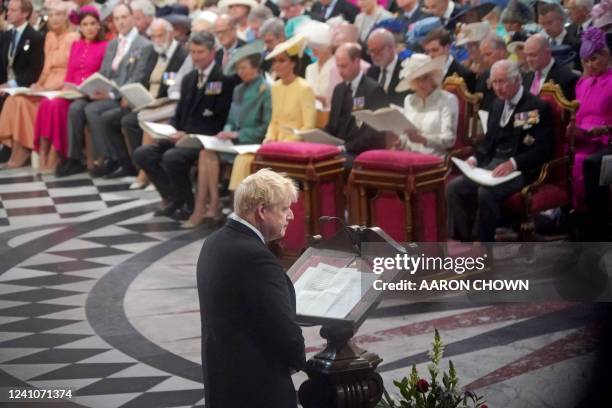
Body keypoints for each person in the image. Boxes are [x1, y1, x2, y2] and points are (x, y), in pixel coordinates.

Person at [197, 168, 306, 408]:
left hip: (223, 379)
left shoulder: (214, 242)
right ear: (262, 210)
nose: (291, 216)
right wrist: (298, 359)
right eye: (285, 209)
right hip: (257, 387)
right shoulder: (255, 257)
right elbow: (282, 328)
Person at [446, 59, 553, 242]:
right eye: (494, 82)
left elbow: (542, 149)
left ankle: (483, 245)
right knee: (453, 188)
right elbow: (489, 141)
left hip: (520, 168)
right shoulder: (497, 104)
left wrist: (513, 163)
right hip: (492, 165)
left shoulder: (534, 107)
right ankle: (461, 239)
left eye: (502, 81)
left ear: (518, 80)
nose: (497, 87)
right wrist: (475, 159)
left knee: (485, 193)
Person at [133, 31, 235, 221]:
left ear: (212, 52)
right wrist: (172, 130)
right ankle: (173, 198)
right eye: (193, 52)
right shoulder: (188, 79)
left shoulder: (223, 80)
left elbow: (219, 119)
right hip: (181, 136)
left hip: (204, 140)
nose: (196, 57)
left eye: (200, 52)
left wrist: (187, 134)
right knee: (143, 153)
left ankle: (188, 203)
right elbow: (179, 114)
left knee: (172, 157)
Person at [186, 42, 272, 228]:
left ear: (255, 68)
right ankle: (210, 203)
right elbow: (231, 118)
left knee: (206, 154)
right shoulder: (238, 89)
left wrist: (238, 133)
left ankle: (211, 206)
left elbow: (265, 126)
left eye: (244, 67)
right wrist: (226, 130)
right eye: (238, 68)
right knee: (205, 152)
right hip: (233, 140)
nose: (240, 72)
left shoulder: (265, 90)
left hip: (251, 142)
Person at [65, 2, 154, 178]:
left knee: (93, 110)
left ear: (132, 18)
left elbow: (137, 77)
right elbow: (105, 72)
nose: (121, 22)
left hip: (125, 96)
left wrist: (112, 93)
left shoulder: (143, 45)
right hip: (107, 92)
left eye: (124, 17)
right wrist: (95, 87)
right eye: (117, 18)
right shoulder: (113, 44)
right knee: (78, 107)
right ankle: (88, 159)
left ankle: (114, 159)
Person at [0, 0, 78, 169]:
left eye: (59, 15)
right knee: (15, 99)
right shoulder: (49, 37)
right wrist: (37, 85)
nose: (54, 18)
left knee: (26, 103)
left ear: (66, 17)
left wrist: (47, 88)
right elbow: (45, 68)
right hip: (46, 86)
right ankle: (19, 147)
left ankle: (25, 150)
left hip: (61, 88)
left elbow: (69, 71)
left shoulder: (73, 38)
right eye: (51, 14)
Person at [35, 5, 107, 175]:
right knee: (47, 103)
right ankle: (46, 153)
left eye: (92, 24)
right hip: (73, 92)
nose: (89, 28)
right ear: (80, 27)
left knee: (72, 108)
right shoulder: (77, 45)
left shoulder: (105, 46)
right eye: (85, 24)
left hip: (91, 94)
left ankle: (71, 158)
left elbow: (103, 76)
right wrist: (67, 86)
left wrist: (86, 91)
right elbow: (70, 73)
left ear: (98, 25)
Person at [572, 28, 611, 240]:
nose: (589, 65)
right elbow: (577, 116)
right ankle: (569, 218)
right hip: (581, 138)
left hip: (604, 142)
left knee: (580, 162)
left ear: (606, 55)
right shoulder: (582, 83)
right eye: (585, 61)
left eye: (594, 59)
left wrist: (604, 129)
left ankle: (591, 223)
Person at [327, 42, 388, 168]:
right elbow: (332, 125)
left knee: (333, 163)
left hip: (363, 152)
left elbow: (374, 132)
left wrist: (345, 147)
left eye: (344, 66)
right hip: (342, 149)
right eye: (337, 66)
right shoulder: (339, 89)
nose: (340, 71)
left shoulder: (374, 90)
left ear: (357, 62)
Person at [393, 53, 458, 157]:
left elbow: (449, 139)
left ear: (433, 77)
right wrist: (400, 142)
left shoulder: (448, 99)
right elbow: (406, 137)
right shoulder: (409, 100)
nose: (421, 84)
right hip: (408, 157)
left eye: (425, 77)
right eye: (417, 79)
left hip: (434, 159)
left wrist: (423, 139)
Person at [0, 0, 44, 88]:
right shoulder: (4, 36)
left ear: (25, 14)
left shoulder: (35, 38)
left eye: (13, 10)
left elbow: (34, 70)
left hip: (22, 87)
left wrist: (11, 84)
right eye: (8, 10)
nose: (8, 13)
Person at [522, 34, 579, 100]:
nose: (529, 60)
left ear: (547, 52)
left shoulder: (567, 78)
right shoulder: (526, 77)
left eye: (533, 55)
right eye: (526, 55)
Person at [421, 27, 476, 92]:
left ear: (447, 48)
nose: (430, 55)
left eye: (435, 50)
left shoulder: (465, 74)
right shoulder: (425, 74)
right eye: (427, 51)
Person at [366, 28, 408, 106]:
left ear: (392, 47)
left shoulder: (405, 70)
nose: (374, 55)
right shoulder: (371, 72)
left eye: (378, 50)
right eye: (371, 51)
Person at [475, 34, 508, 112]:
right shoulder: (483, 77)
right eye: (483, 56)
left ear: (502, 52)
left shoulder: (520, 76)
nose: (485, 60)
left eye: (488, 54)